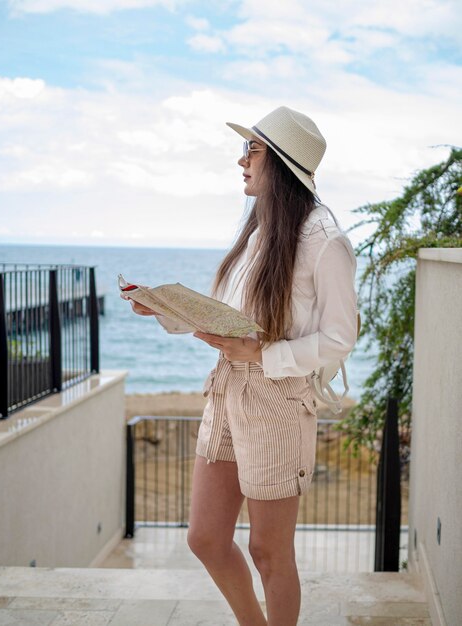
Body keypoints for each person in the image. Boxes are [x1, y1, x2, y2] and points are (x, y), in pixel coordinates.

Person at [124, 106, 358, 626]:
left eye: (251, 150)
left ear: (279, 162)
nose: (241, 160)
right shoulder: (258, 230)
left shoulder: (324, 240)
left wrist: (263, 355)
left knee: (269, 552)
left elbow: (341, 337)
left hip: (277, 399)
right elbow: (230, 321)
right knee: (205, 538)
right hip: (227, 390)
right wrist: (165, 308)